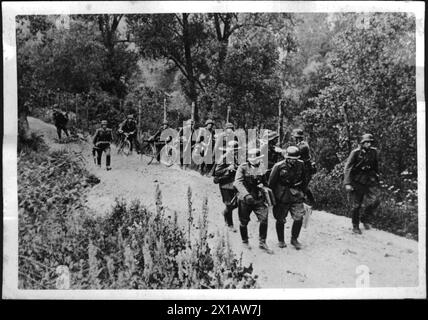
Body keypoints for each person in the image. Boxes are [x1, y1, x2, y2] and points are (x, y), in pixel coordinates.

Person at [234, 148, 273, 254]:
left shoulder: (262, 167)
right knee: (243, 221)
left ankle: (262, 242)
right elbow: (237, 183)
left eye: (256, 158)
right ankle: (245, 241)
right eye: (251, 158)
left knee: (264, 219)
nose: (254, 160)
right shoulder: (242, 168)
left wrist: (264, 187)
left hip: (258, 199)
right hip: (245, 199)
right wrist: (246, 194)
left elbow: (265, 182)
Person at [268, 146, 306, 249]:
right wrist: (271, 199)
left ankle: (294, 239)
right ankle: (281, 240)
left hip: (296, 194)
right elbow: (271, 184)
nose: (293, 161)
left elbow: (304, 180)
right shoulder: (278, 166)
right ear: (286, 158)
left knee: (299, 217)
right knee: (280, 219)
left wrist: (304, 193)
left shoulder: (301, 164)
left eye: (295, 159)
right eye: (291, 159)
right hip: (281, 195)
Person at [344, 133, 380, 234]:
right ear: (362, 143)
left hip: (369, 180)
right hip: (357, 181)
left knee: (376, 200)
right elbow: (348, 168)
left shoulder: (374, 152)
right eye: (366, 142)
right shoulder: (355, 153)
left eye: (370, 142)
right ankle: (355, 225)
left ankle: (365, 218)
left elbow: (375, 166)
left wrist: (377, 178)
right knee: (356, 205)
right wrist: (347, 183)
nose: (369, 144)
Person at [213, 140, 241, 232]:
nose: (236, 151)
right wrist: (228, 169)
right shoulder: (223, 158)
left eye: (236, 150)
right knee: (229, 204)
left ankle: (225, 213)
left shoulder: (235, 158)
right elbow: (216, 172)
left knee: (235, 204)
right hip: (225, 184)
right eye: (234, 150)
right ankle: (230, 225)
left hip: (233, 184)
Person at [291, 128, 316, 206]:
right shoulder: (300, 144)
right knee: (302, 186)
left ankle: (309, 202)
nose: (294, 139)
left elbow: (296, 153)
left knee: (303, 186)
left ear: (297, 137)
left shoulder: (303, 145)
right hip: (302, 168)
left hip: (306, 169)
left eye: (295, 137)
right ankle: (310, 202)